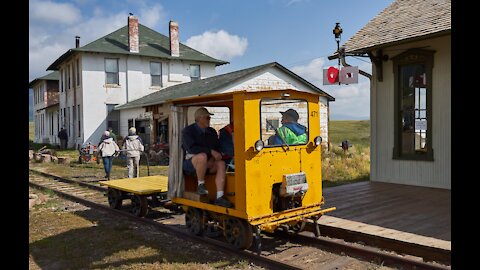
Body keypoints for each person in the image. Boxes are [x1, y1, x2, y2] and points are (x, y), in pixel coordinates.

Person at [182, 107, 233, 208]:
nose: (209, 120)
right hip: (191, 164)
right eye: (207, 118)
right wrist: (210, 152)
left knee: (221, 164)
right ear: (200, 118)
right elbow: (192, 148)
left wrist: (214, 157)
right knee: (202, 156)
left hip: (208, 162)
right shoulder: (188, 131)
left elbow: (216, 147)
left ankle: (220, 196)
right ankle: (201, 185)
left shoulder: (212, 132)